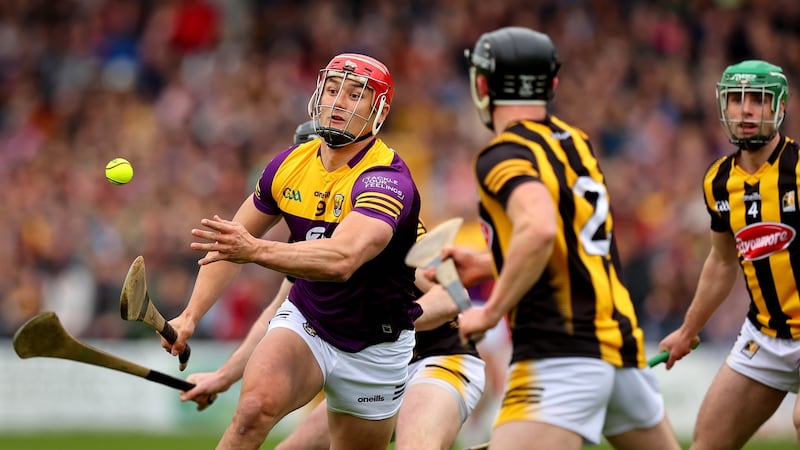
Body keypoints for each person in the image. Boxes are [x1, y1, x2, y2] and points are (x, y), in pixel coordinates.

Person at [162, 53, 424, 450]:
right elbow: (228, 244)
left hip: (377, 348)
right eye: (333, 89)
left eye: (355, 95)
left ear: (379, 110)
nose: (338, 103)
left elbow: (342, 260)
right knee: (252, 411)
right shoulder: (288, 165)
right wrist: (190, 315)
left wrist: (252, 249)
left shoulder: (387, 180)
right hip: (309, 322)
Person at [443, 26, 681, 450]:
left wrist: (490, 310)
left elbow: (539, 229)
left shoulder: (502, 154)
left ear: (482, 85)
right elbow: (572, 245)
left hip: (559, 356)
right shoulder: (577, 144)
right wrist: (489, 263)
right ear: (551, 84)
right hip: (620, 352)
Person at [180, 122, 487, 450]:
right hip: (367, 360)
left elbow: (454, 297)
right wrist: (224, 377)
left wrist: (393, 320)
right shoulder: (308, 240)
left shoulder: (389, 223)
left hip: (437, 358)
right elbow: (278, 315)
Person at [658, 60, 800, 449]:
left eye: (758, 99)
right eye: (737, 100)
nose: (747, 110)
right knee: (707, 444)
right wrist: (688, 329)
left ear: (780, 108)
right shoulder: (718, 180)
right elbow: (722, 262)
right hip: (766, 336)